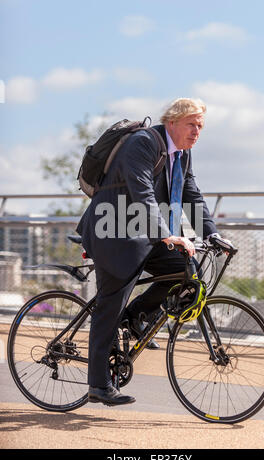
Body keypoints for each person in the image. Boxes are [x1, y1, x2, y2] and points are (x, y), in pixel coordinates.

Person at [76, 97, 226, 406]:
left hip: (143, 231)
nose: (197, 131)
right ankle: (98, 384)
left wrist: (212, 234)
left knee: (185, 272)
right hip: (113, 231)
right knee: (111, 303)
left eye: (201, 126)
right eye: (192, 124)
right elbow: (141, 192)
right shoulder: (143, 142)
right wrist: (170, 234)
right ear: (172, 122)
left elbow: (190, 194)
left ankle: (135, 317)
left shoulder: (182, 155)